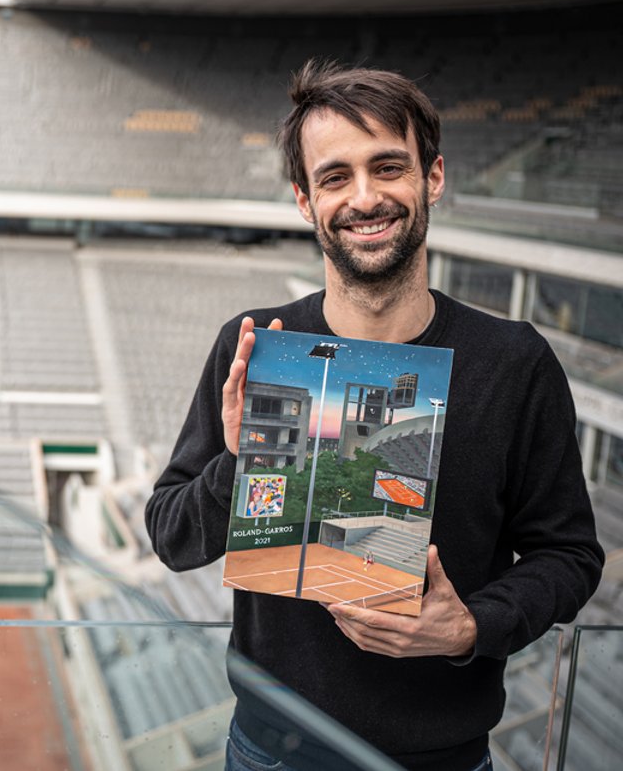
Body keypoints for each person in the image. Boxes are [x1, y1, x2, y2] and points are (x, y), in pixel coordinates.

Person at [145, 60, 603, 771]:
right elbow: (173, 539)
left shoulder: (515, 363)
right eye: (335, 177)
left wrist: (471, 627)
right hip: (269, 751)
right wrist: (239, 462)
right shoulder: (257, 349)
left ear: (434, 178)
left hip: (440, 758)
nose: (364, 197)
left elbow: (571, 557)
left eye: (389, 167)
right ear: (304, 199)